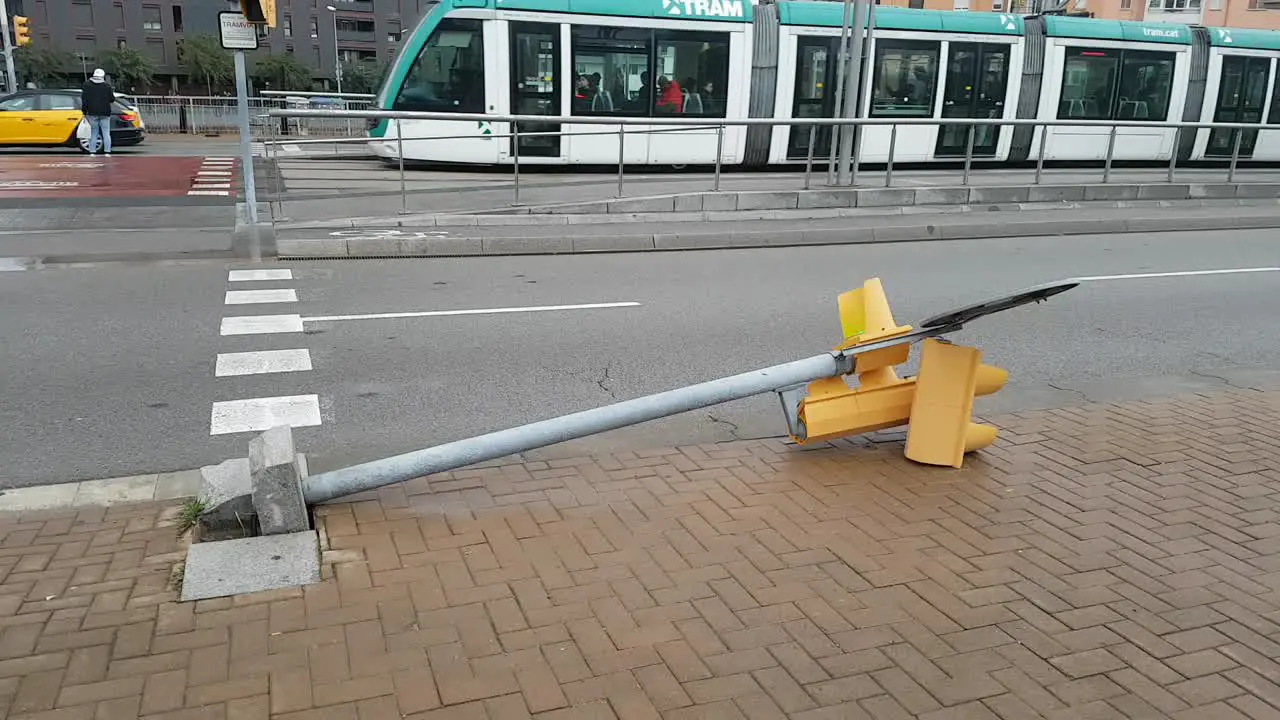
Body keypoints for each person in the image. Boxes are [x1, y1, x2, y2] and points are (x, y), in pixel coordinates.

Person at [81, 69, 115, 156]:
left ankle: (92, 152)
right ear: (102, 76)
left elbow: (84, 100)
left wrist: (84, 111)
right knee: (106, 132)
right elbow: (112, 99)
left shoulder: (86, 85)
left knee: (94, 132)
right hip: (105, 112)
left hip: (92, 112)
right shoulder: (107, 86)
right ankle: (107, 152)